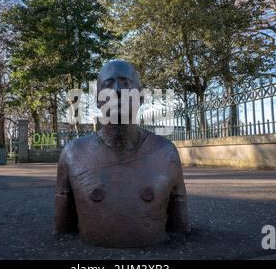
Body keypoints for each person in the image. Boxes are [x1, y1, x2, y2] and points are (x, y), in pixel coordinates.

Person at [54, 60, 189, 247]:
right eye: (108, 85)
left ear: (140, 97)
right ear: (97, 99)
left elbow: (179, 227)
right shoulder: (72, 154)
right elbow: (64, 228)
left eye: (126, 84)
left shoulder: (166, 153)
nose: (117, 90)